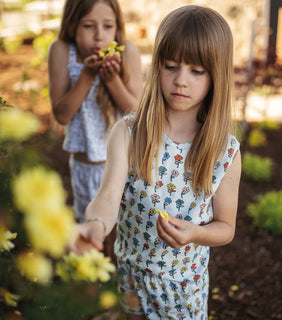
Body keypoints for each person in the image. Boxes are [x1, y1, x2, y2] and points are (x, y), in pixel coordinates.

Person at [71, 5, 241, 320]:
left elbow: (225, 227)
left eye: (197, 71)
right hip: (131, 284)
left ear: (216, 75)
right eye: (171, 66)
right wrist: (95, 226)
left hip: (185, 294)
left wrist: (194, 233)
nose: (181, 81)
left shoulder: (223, 150)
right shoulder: (129, 132)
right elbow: (108, 195)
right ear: (157, 65)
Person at [48, 0, 143, 223]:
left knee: (125, 229)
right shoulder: (62, 51)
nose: (99, 36)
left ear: (118, 27)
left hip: (126, 167)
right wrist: (87, 75)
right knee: (94, 228)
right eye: (88, 26)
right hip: (87, 166)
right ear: (72, 25)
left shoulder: (127, 51)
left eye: (108, 26)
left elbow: (137, 114)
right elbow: (61, 115)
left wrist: (112, 80)